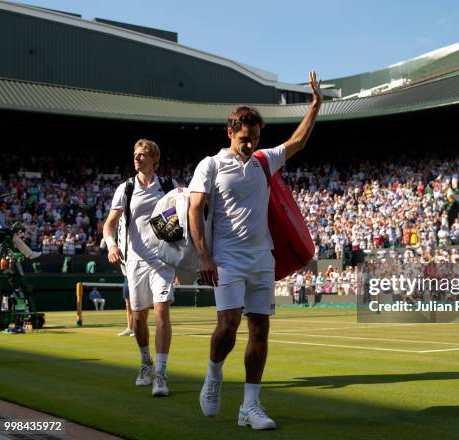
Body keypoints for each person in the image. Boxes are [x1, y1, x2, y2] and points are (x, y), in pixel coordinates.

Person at [189, 70, 322, 429]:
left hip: (262, 257)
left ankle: (250, 406)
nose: (250, 144)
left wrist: (315, 105)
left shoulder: (264, 161)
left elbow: (296, 142)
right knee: (228, 325)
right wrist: (204, 255)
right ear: (230, 132)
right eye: (245, 138)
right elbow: (194, 209)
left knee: (259, 329)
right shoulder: (211, 165)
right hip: (226, 259)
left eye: (256, 139)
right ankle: (214, 376)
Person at [103, 139, 177, 397]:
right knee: (138, 318)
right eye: (135, 154)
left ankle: (161, 373)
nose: (137, 158)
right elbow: (109, 224)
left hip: (163, 262)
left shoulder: (170, 186)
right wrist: (111, 245)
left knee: (161, 314)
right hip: (134, 261)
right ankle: (146, 362)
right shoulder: (126, 188)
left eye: (142, 154)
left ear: (154, 160)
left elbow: (187, 212)